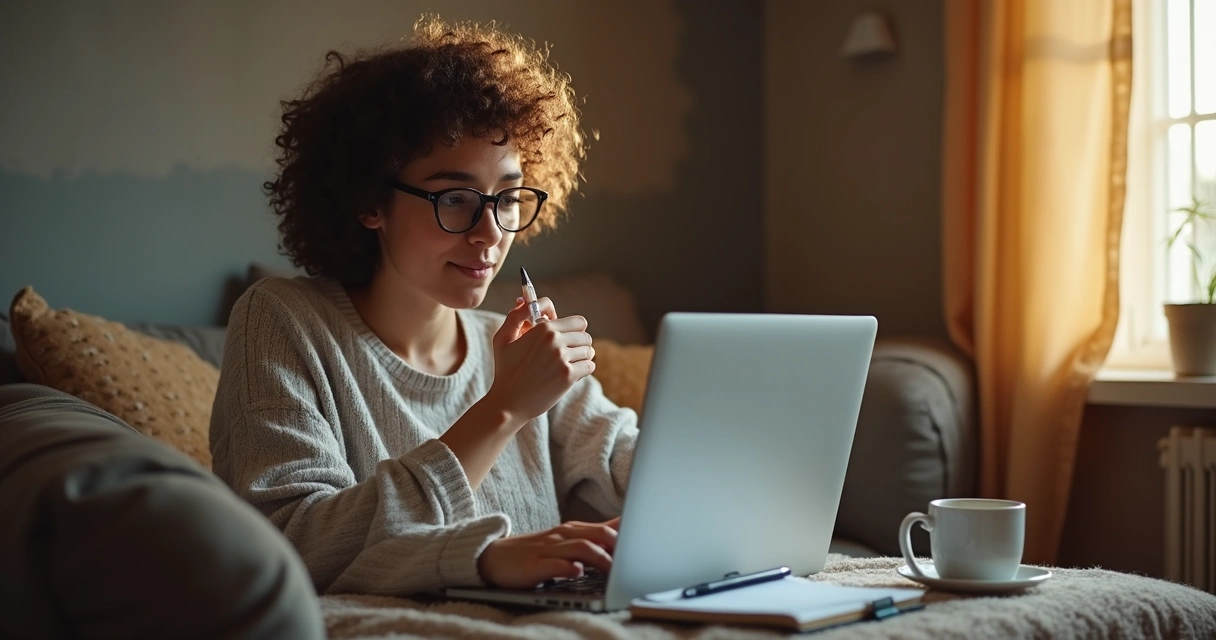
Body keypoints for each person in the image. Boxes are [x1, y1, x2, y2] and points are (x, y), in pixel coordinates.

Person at [209, 16, 638, 597]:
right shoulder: (283, 321)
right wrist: (504, 412)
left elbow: (630, 468)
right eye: (455, 199)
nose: (490, 233)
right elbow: (293, 543)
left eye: (507, 197)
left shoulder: (522, 344)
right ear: (369, 202)